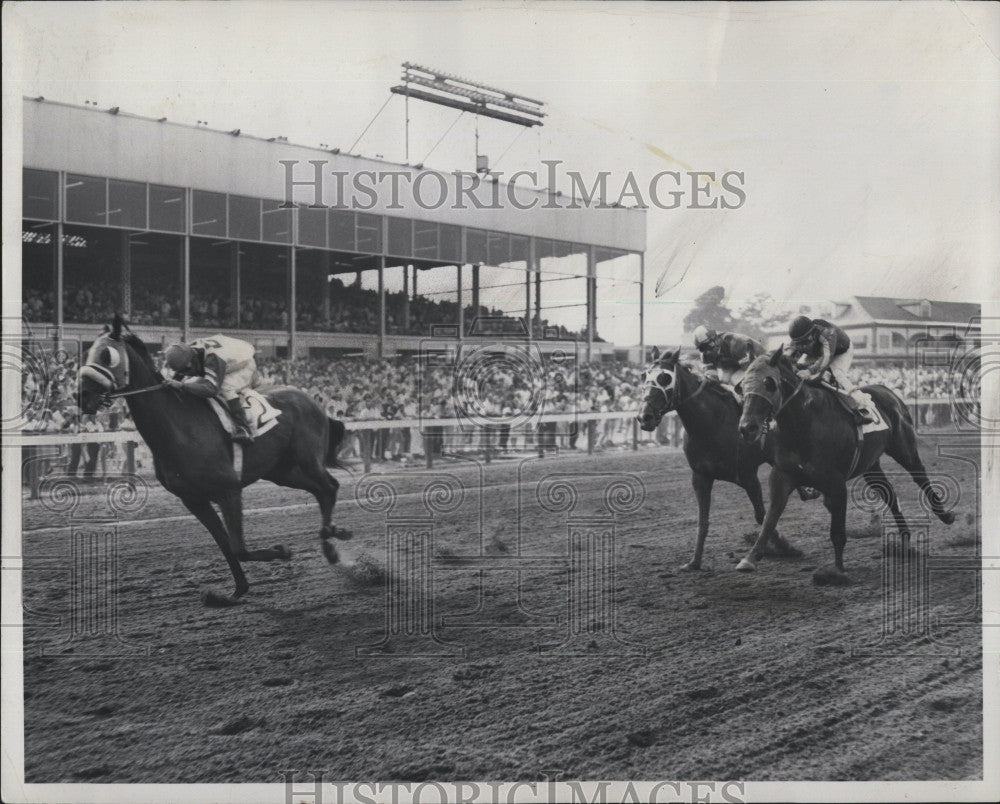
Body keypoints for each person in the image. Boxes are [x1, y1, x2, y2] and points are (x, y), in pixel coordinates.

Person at [162, 334, 260, 443]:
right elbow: (180, 373)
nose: (184, 373)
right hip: (229, 352)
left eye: (185, 370)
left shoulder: (212, 359)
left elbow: (211, 389)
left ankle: (244, 428)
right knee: (191, 382)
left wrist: (182, 385)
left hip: (243, 363)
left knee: (226, 388)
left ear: (190, 363)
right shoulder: (187, 353)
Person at [786, 316, 874, 424]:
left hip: (840, 351)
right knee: (800, 370)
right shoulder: (798, 339)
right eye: (798, 342)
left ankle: (864, 407)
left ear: (812, 331)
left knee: (837, 374)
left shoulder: (827, 333)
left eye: (805, 340)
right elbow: (788, 358)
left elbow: (826, 359)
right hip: (818, 352)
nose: (802, 344)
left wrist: (809, 371)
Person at [693, 326, 763, 391]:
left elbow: (750, 370)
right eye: (702, 348)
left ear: (716, 338)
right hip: (736, 364)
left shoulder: (735, 342)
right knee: (724, 381)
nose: (708, 351)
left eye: (709, 345)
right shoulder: (704, 355)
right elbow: (712, 378)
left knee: (736, 380)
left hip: (759, 359)